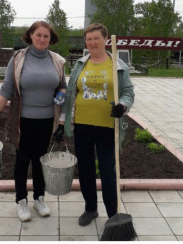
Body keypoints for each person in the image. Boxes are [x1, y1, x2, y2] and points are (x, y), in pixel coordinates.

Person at [0, 21, 67, 222]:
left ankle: (39, 198)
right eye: (38, 35)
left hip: (47, 121)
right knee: (22, 160)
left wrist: (61, 93)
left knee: (40, 161)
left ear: (50, 39)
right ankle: (21, 201)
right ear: (31, 36)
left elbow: (62, 84)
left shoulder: (57, 61)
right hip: (23, 120)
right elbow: (6, 89)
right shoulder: (18, 59)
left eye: (46, 36)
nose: (42, 39)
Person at [55, 23, 135, 227]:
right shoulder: (81, 65)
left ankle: (112, 216)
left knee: (108, 171)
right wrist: (62, 122)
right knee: (85, 170)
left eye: (96, 38)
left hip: (108, 127)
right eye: (88, 39)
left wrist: (123, 106)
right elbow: (71, 94)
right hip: (82, 126)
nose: (92, 43)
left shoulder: (118, 66)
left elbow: (128, 92)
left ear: (106, 40)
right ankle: (90, 208)